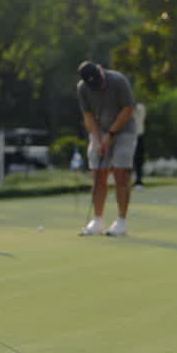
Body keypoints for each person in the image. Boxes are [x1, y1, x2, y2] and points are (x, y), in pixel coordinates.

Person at [76, 61, 138, 236]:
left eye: (99, 81)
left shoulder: (118, 80)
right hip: (100, 130)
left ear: (101, 70)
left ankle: (121, 222)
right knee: (98, 173)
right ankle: (97, 220)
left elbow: (128, 109)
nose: (99, 86)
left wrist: (110, 136)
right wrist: (98, 140)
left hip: (124, 130)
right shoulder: (82, 88)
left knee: (121, 172)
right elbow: (88, 116)